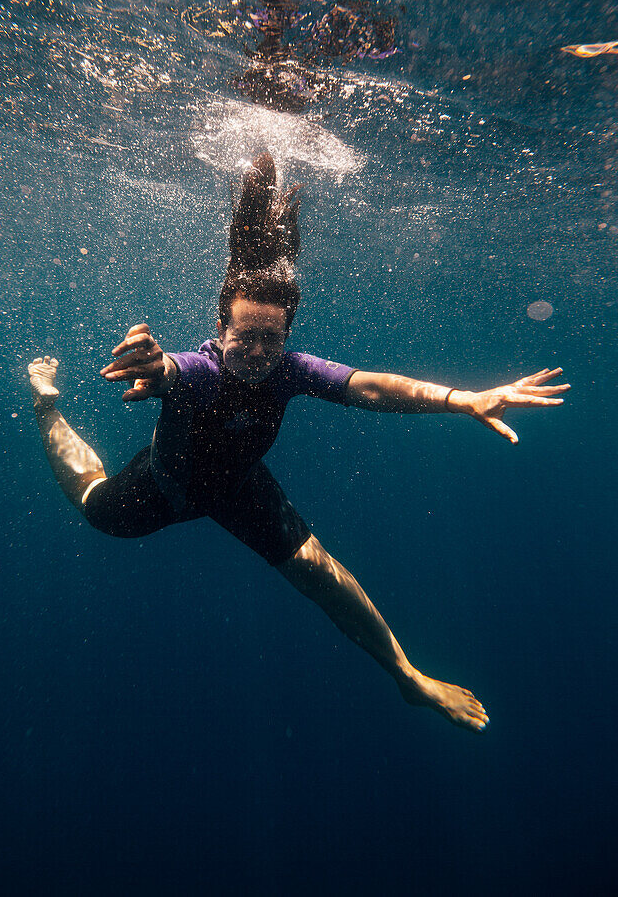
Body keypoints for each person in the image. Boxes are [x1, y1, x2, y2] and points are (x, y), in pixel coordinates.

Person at [29, 152, 568, 733]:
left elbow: (371, 387)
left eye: (272, 339)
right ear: (220, 330)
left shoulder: (291, 370)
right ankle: (45, 404)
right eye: (245, 338)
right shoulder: (203, 370)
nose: (259, 353)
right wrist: (158, 370)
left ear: (287, 336)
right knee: (93, 502)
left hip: (238, 487)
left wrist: (463, 400)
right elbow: (173, 372)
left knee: (319, 573)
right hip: (163, 489)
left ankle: (408, 675)